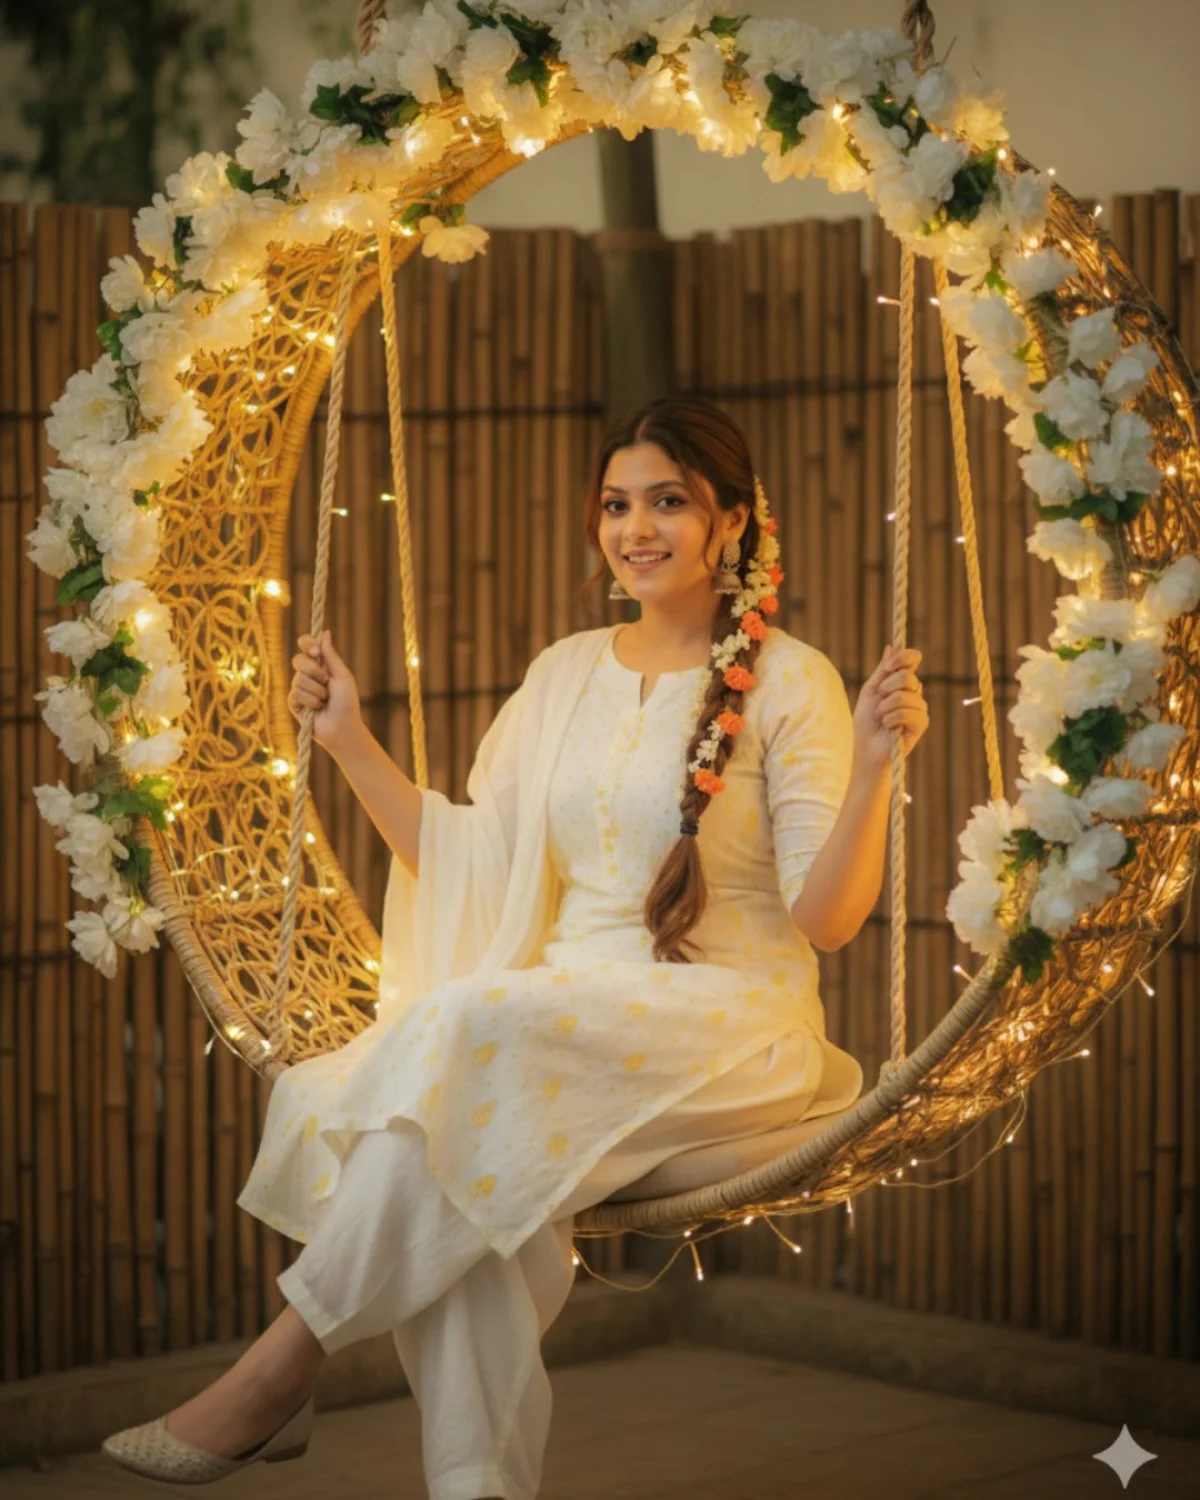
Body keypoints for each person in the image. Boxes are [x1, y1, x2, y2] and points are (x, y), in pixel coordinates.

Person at [101, 395, 928, 1497]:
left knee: (465, 1045)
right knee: (459, 1158)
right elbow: (473, 859)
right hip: (553, 1019)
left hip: (733, 1026)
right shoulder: (563, 673)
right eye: (617, 503)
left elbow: (826, 920)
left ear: (732, 521)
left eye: (669, 502)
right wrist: (347, 741)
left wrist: (874, 765)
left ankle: (280, 1367)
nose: (637, 528)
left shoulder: (794, 681)